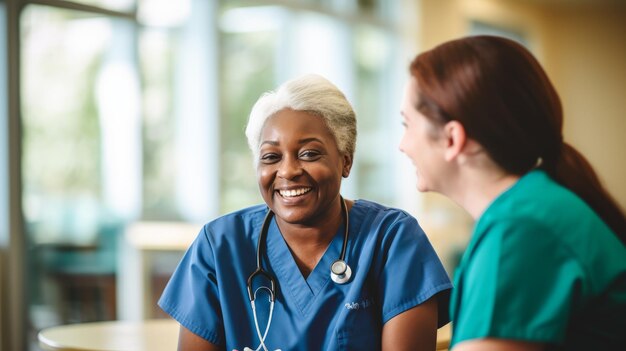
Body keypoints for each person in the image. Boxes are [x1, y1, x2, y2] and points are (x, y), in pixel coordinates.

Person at [159, 74, 452, 351]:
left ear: (345, 161)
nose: (287, 171)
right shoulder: (219, 246)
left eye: (309, 154)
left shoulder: (392, 240)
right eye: (271, 157)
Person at [398, 35, 626, 351]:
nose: (402, 145)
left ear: (452, 139)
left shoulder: (521, 230)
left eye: (406, 124)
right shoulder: (536, 206)